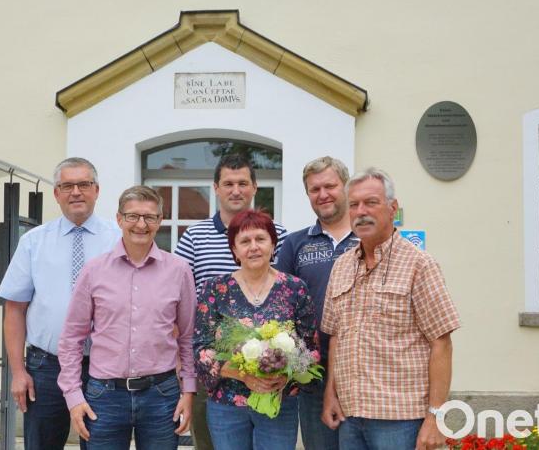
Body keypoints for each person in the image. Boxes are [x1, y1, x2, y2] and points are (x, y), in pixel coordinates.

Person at [320, 167, 461, 450]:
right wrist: (330, 395)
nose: (361, 211)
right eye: (354, 205)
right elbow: (336, 336)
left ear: (392, 208)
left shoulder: (419, 264)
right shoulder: (342, 265)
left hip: (401, 420)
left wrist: (435, 418)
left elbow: (441, 344)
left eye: (371, 202)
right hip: (350, 415)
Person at [57, 185, 197, 450]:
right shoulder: (94, 271)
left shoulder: (179, 271)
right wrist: (73, 395)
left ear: (159, 221)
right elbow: (72, 339)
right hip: (104, 397)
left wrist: (188, 391)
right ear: (119, 219)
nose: (141, 224)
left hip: (161, 394)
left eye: (149, 217)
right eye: (132, 216)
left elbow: (188, 337)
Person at [0, 157, 121, 450]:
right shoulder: (33, 242)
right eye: (67, 186)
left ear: (97, 190)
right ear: (56, 193)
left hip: (102, 368)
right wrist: (18, 372)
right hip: (46, 367)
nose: (75, 192)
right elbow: (15, 309)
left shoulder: (119, 241)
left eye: (83, 184)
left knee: (101, 444)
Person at [175, 153, 288, 450]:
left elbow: (288, 296)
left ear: (254, 187)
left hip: (270, 369)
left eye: (242, 183)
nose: (235, 190)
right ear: (216, 188)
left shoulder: (278, 236)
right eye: (228, 183)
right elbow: (176, 299)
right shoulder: (194, 237)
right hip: (212, 371)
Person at [193, 209, 316, 450]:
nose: (253, 247)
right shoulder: (215, 289)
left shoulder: (294, 289)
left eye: (260, 239)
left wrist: (285, 373)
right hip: (227, 405)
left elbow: (310, 348)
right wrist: (243, 375)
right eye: (244, 241)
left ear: (273, 244)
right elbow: (201, 348)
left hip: (279, 403)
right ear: (234, 250)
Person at [275, 156, 358, 450]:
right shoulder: (295, 244)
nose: (322, 194)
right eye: (314, 189)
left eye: (330, 186)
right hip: (315, 372)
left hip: (364, 369)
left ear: (346, 186)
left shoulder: (369, 239)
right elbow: (280, 305)